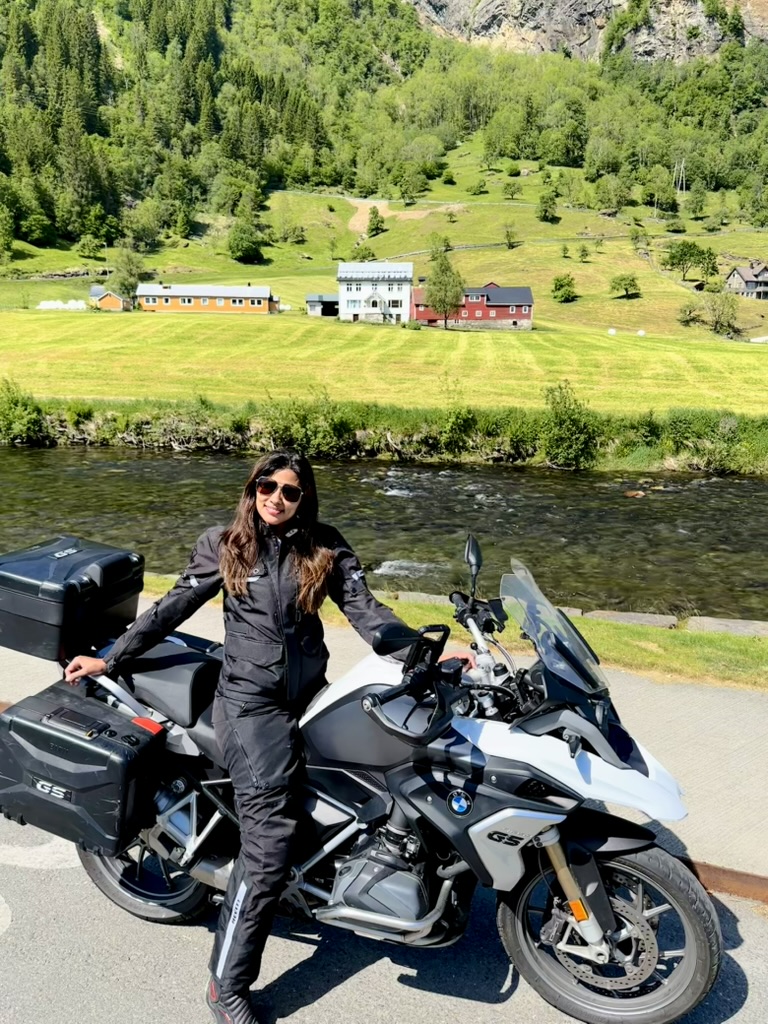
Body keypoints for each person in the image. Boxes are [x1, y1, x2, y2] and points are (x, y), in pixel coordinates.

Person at [64, 449, 470, 1024]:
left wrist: (422, 652)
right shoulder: (226, 544)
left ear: (305, 498)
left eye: (290, 491)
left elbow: (367, 612)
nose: (276, 499)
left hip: (307, 696)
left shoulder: (323, 547)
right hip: (251, 708)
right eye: (266, 486)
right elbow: (174, 605)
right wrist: (112, 656)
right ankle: (225, 985)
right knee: (269, 839)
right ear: (251, 488)